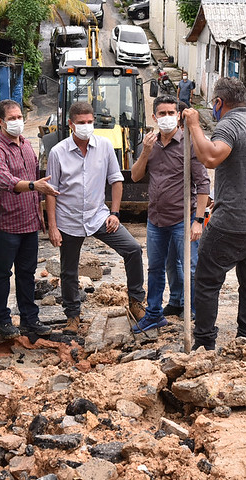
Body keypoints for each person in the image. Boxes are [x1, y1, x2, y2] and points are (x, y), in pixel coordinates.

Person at [182, 77, 246, 350]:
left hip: (231, 222)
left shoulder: (230, 125)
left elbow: (211, 157)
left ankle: (204, 343)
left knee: (207, 280)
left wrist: (196, 125)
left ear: (220, 102)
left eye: (213, 103)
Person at [45, 101, 146, 333]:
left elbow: (116, 180)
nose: (86, 126)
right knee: (68, 271)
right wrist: (52, 226)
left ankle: (136, 301)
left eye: (90, 122)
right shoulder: (58, 152)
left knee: (132, 249)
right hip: (68, 220)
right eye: (81, 123)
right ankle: (72, 316)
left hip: (98, 216)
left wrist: (115, 213)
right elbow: (50, 191)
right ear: (71, 124)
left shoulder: (105, 146)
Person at [130, 95, 210, 332]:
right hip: (155, 219)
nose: (166, 118)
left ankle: (195, 314)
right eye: (161, 114)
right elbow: (135, 176)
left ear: (178, 116)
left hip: (182, 219)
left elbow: (203, 184)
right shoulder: (150, 144)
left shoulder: (189, 144)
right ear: (154, 117)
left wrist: (198, 220)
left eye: (170, 113)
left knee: (191, 267)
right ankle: (154, 313)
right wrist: (145, 151)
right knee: (156, 268)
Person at [0, 99, 59, 339]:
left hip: (28, 223)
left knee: (27, 274)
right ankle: (3, 321)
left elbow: (37, 185)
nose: (18, 121)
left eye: (19, 117)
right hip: (4, 224)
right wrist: (33, 186)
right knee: (1, 274)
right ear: (0, 122)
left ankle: (30, 319)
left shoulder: (27, 146)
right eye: (12, 118)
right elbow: (4, 181)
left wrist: (40, 214)